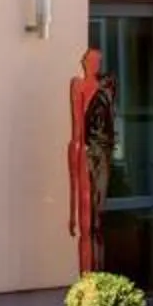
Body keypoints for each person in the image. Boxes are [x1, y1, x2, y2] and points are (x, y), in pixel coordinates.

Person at [66, 48, 116, 278]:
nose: (93, 64)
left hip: (101, 153)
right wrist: (71, 210)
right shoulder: (78, 86)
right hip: (86, 153)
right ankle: (87, 281)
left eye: (97, 61)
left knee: (97, 220)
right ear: (83, 62)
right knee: (86, 223)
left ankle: (97, 279)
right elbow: (77, 132)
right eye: (90, 60)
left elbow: (110, 127)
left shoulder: (107, 89)